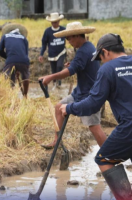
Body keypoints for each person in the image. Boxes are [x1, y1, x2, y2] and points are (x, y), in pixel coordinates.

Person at [60, 33, 132, 199]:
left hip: (129, 126)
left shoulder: (107, 69)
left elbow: (93, 103)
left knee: (104, 158)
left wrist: (69, 108)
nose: (101, 61)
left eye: (100, 57)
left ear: (105, 52)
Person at [39, 22, 106, 149]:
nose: (68, 41)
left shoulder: (84, 51)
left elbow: (70, 72)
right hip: (80, 92)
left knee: (94, 127)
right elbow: (83, 65)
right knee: (59, 108)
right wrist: (74, 65)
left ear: (76, 36)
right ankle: (57, 141)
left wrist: (50, 77)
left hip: (89, 95)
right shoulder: (89, 47)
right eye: (66, 38)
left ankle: (111, 156)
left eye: (69, 38)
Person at [0, 28, 30, 97]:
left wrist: (9, 57)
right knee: (25, 77)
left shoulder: (5, 36)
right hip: (24, 60)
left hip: (11, 60)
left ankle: (11, 96)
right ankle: (25, 95)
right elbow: (25, 54)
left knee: (7, 78)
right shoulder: (24, 38)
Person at [38, 13, 66, 89]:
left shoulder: (63, 30)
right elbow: (44, 44)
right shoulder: (47, 31)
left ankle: (59, 83)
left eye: (56, 22)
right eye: (53, 22)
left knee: (59, 66)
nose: (54, 24)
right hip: (52, 54)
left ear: (59, 21)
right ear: (51, 22)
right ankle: (55, 85)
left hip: (61, 52)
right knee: (54, 71)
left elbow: (70, 39)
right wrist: (41, 54)